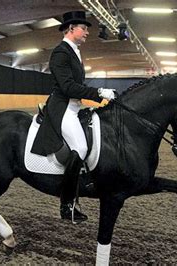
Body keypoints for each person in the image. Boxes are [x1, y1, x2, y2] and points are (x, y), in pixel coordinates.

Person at [31, 11, 115, 224]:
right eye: (83, 28)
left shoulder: (74, 51)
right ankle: (66, 204)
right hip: (62, 109)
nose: (87, 32)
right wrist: (98, 93)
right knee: (81, 147)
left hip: (75, 107)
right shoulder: (61, 52)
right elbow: (67, 87)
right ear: (70, 29)